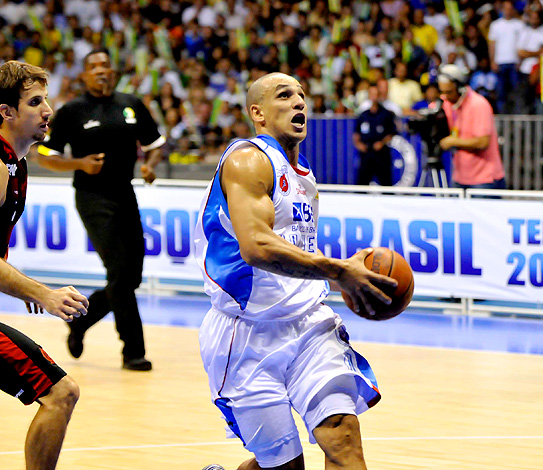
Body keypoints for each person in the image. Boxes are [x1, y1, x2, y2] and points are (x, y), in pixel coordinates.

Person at [194, 72, 397, 470]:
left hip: (308, 326)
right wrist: (338, 271)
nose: (299, 102)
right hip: (245, 333)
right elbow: (256, 246)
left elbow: (294, 248)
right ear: (258, 112)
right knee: (284, 466)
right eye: (284, 95)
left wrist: (338, 277)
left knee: (343, 439)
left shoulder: (304, 175)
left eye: (302, 95)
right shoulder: (248, 159)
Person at [37, 48, 165, 371]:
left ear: (113, 72)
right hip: (92, 198)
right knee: (120, 271)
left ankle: (82, 320)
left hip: (126, 193)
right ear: (84, 76)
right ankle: (133, 351)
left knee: (131, 275)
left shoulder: (131, 105)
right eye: (93, 67)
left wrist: (149, 166)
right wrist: (79, 163)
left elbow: (155, 146)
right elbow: (44, 156)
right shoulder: (71, 111)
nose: (101, 71)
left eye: (105, 66)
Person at [0, 60, 89, 470]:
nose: (47, 110)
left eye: (46, 99)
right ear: (7, 112)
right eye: (34, 102)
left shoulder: (16, 163)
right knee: (60, 392)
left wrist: (20, 286)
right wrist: (43, 293)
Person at [438, 64, 506, 190]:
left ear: (459, 87)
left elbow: (483, 142)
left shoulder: (478, 105)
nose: (445, 97)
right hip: (459, 177)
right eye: (442, 92)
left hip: (484, 179)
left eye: (449, 92)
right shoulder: (447, 102)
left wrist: (453, 141)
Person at [352, 85, 397, 186]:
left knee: (386, 183)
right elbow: (356, 133)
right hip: (366, 153)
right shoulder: (363, 115)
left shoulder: (386, 114)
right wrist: (359, 145)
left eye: (376, 94)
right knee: (362, 184)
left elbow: (392, 132)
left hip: (381, 153)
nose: (374, 97)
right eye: (372, 94)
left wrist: (382, 143)